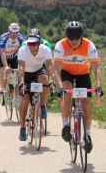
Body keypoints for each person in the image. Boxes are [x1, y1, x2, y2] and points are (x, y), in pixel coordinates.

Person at [53, 21, 103, 153]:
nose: (74, 41)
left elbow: (96, 68)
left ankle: (87, 134)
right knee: (67, 92)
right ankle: (65, 125)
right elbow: (56, 69)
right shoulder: (61, 45)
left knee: (86, 103)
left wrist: (98, 85)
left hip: (83, 74)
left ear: (81, 36)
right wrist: (59, 86)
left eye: (76, 38)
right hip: (66, 73)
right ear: (66, 37)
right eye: (71, 38)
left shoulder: (89, 45)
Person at [17, 32, 53, 141]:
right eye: (30, 44)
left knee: (45, 80)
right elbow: (21, 69)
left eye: (34, 44)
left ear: (39, 43)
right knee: (25, 99)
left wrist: (51, 80)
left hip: (38, 70)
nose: (32, 46)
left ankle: (42, 105)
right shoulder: (23, 50)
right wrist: (22, 83)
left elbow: (49, 66)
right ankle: (22, 127)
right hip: (26, 73)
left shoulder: (45, 49)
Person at [0, 23, 26, 91]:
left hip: (14, 56)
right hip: (4, 56)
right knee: (4, 72)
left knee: (19, 73)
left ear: (18, 32)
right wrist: (6, 66)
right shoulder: (4, 37)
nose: (14, 34)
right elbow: (2, 52)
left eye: (16, 33)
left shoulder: (21, 38)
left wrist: (21, 66)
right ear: (9, 31)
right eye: (12, 32)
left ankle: (18, 90)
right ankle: (3, 91)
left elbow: (23, 52)